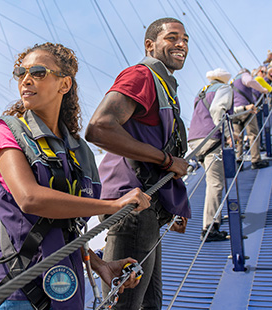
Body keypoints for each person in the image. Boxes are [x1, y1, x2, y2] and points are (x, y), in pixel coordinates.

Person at [0, 42, 151, 310]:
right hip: (17, 293)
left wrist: (98, 264)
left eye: (37, 72)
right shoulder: (7, 132)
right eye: (20, 73)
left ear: (64, 84)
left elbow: (64, 228)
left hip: (66, 292)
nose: (25, 80)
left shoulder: (78, 151)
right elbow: (30, 199)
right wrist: (112, 205)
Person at [85, 18, 190, 310]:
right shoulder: (141, 76)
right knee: (125, 305)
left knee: (150, 304)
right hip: (131, 208)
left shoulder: (164, 84)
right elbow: (99, 128)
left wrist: (172, 204)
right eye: (172, 38)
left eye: (185, 39)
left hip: (148, 206)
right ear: (150, 45)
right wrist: (167, 160)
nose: (181, 44)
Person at [188, 68, 233, 242]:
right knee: (215, 184)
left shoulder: (202, 92)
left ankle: (214, 218)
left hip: (195, 141)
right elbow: (218, 110)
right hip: (211, 139)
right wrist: (229, 135)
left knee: (212, 182)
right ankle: (209, 228)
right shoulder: (224, 89)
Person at [230, 68, 270, 169]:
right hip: (247, 109)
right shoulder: (244, 76)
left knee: (238, 137)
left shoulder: (233, 81)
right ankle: (255, 160)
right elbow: (250, 81)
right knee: (253, 135)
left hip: (235, 111)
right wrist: (262, 89)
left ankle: (238, 160)